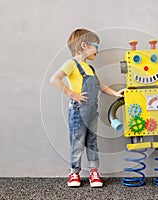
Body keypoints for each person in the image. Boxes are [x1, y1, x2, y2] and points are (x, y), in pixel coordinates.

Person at [50, 28, 124, 187]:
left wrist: (117, 94)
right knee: (77, 141)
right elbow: (54, 80)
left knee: (92, 141)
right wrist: (72, 94)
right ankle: (74, 173)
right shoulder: (71, 64)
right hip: (78, 111)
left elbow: (102, 87)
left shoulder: (90, 68)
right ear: (84, 45)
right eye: (95, 46)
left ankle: (94, 172)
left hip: (92, 112)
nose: (98, 50)